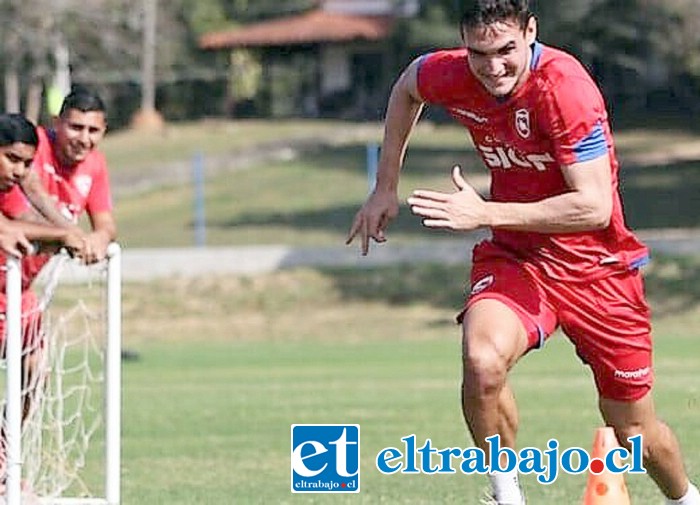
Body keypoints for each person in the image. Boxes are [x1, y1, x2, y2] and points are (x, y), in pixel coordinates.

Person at [346, 1, 699, 504]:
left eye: (507, 49)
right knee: (481, 360)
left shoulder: (565, 90)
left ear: (532, 31)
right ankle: (506, 495)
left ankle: (686, 498)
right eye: (478, 53)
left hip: (597, 269)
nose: (492, 67)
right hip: (517, 259)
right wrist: (385, 187)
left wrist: (485, 213)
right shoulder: (453, 73)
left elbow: (593, 207)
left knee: (632, 433)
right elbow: (408, 85)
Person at [0, 113, 87, 492]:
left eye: (25, 162)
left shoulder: (12, 186)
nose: (18, 170)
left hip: (14, 293)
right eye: (11, 158)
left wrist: (68, 233)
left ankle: (5, 456)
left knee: (35, 364)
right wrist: (63, 235)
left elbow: (22, 218)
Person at [12, 86, 117, 290]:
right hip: (8, 265)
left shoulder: (95, 164)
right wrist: (68, 231)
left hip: (21, 286)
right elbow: (30, 186)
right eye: (76, 127)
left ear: (104, 131)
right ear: (57, 123)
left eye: (93, 131)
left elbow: (106, 222)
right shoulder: (35, 142)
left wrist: (100, 238)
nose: (84, 139)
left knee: (31, 315)